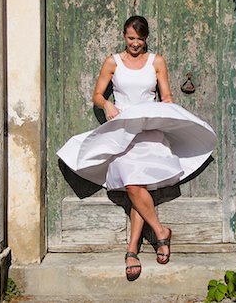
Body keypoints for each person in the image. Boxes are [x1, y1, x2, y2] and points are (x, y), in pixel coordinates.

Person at [57, 15, 216, 282]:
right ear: (124, 36)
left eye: (140, 39)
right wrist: (107, 105)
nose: (135, 44)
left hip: (150, 132)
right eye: (131, 38)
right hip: (122, 132)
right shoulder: (112, 62)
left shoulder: (157, 62)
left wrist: (168, 110)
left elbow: (166, 96)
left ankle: (132, 249)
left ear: (146, 39)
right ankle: (161, 231)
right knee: (133, 184)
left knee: (137, 185)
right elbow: (97, 95)